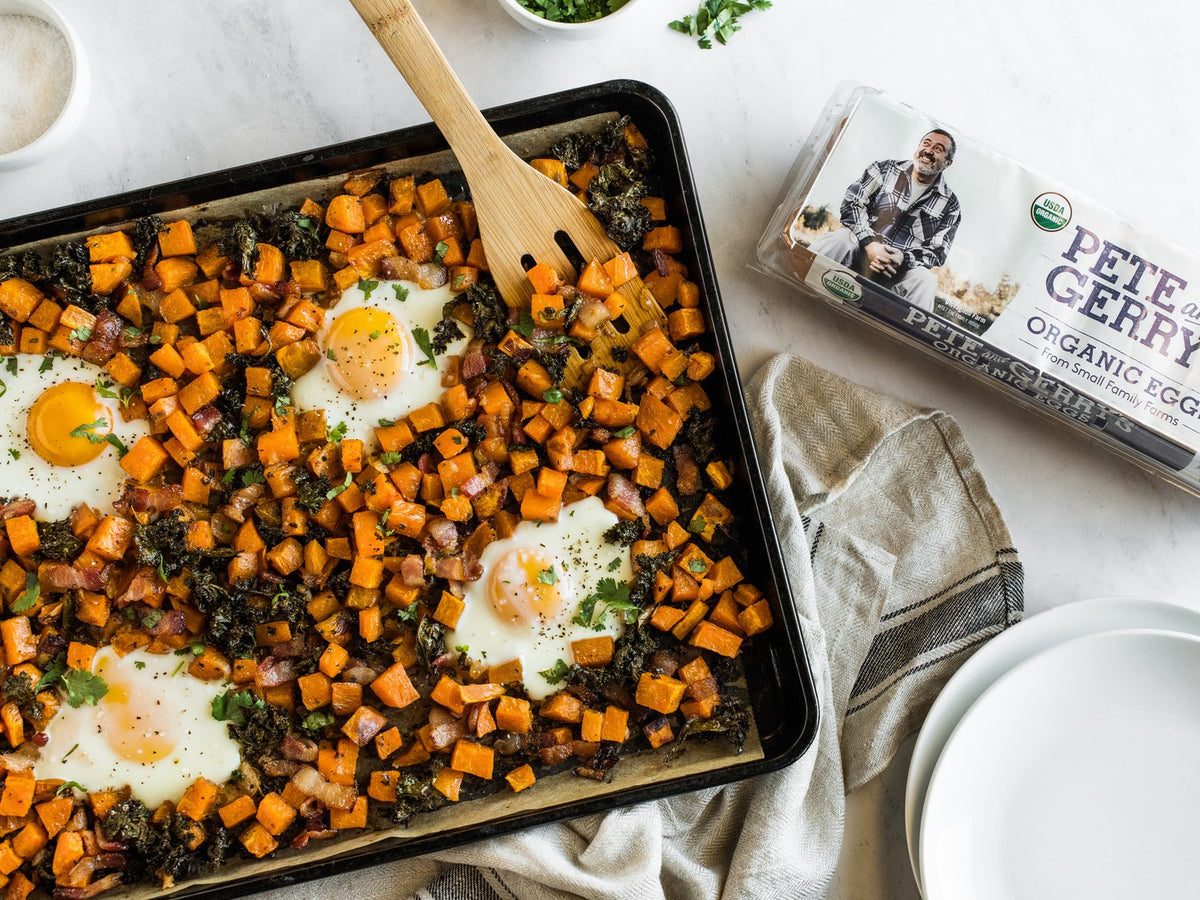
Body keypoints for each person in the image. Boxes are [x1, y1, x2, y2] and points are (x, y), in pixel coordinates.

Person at [807, 129, 961, 311]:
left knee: (925, 280)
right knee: (840, 240)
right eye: (926, 143)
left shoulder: (950, 205)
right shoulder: (884, 169)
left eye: (938, 148)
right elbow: (853, 203)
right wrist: (870, 244)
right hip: (859, 246)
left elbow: (938, 251)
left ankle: (903, 333)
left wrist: (903, 258)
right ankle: (801, 273)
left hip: (898, 270)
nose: (928, 150)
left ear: (948, 162)